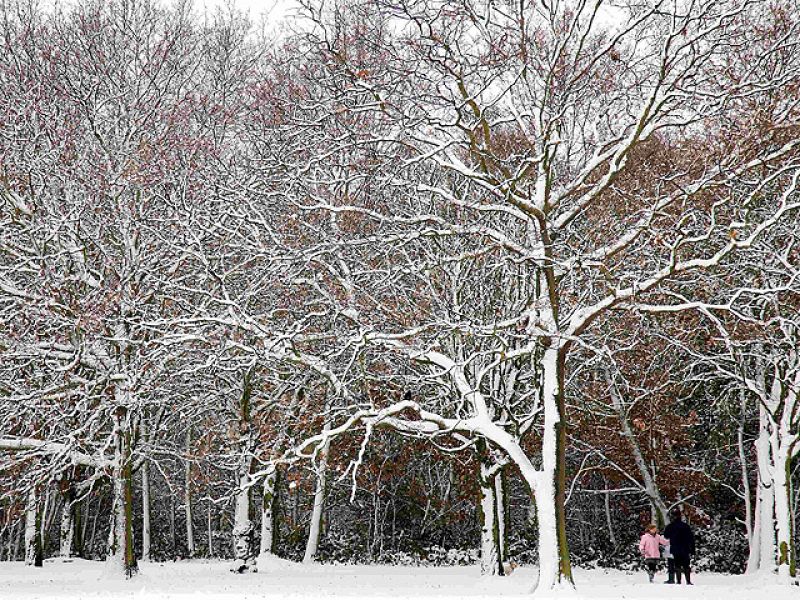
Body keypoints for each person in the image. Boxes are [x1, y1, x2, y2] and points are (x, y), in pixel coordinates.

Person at [662, 508, 695, 585]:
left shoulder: (670, 526)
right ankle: (688, 581)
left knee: (677, 565)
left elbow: (666, 536)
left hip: (675, 548)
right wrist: (692, 549)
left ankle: (679, 581)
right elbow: (691, 538)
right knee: (686, 564)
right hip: (685, 548)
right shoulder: (686, 526)